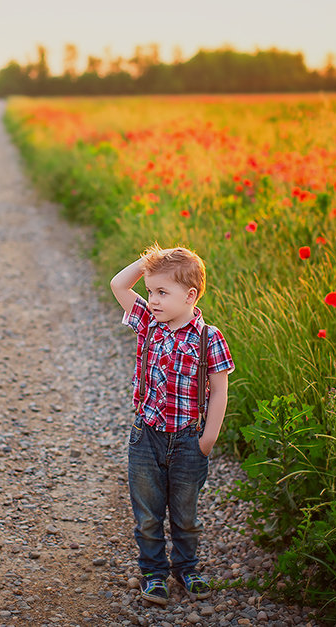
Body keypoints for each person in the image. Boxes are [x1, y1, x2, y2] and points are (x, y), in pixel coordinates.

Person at [109, 244, 234, 605]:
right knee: (147, 514)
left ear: (190, 295)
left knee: (185, 514)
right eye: (150, 291)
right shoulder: (148, 323)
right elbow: (118, 284)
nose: (153, 300)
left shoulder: (209, 337)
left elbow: (219, 391)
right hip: (146, 436)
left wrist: (208, 439)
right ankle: (154, 573)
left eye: (162, 292)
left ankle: (187, 567)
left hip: (188, 439)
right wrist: (150, 261)